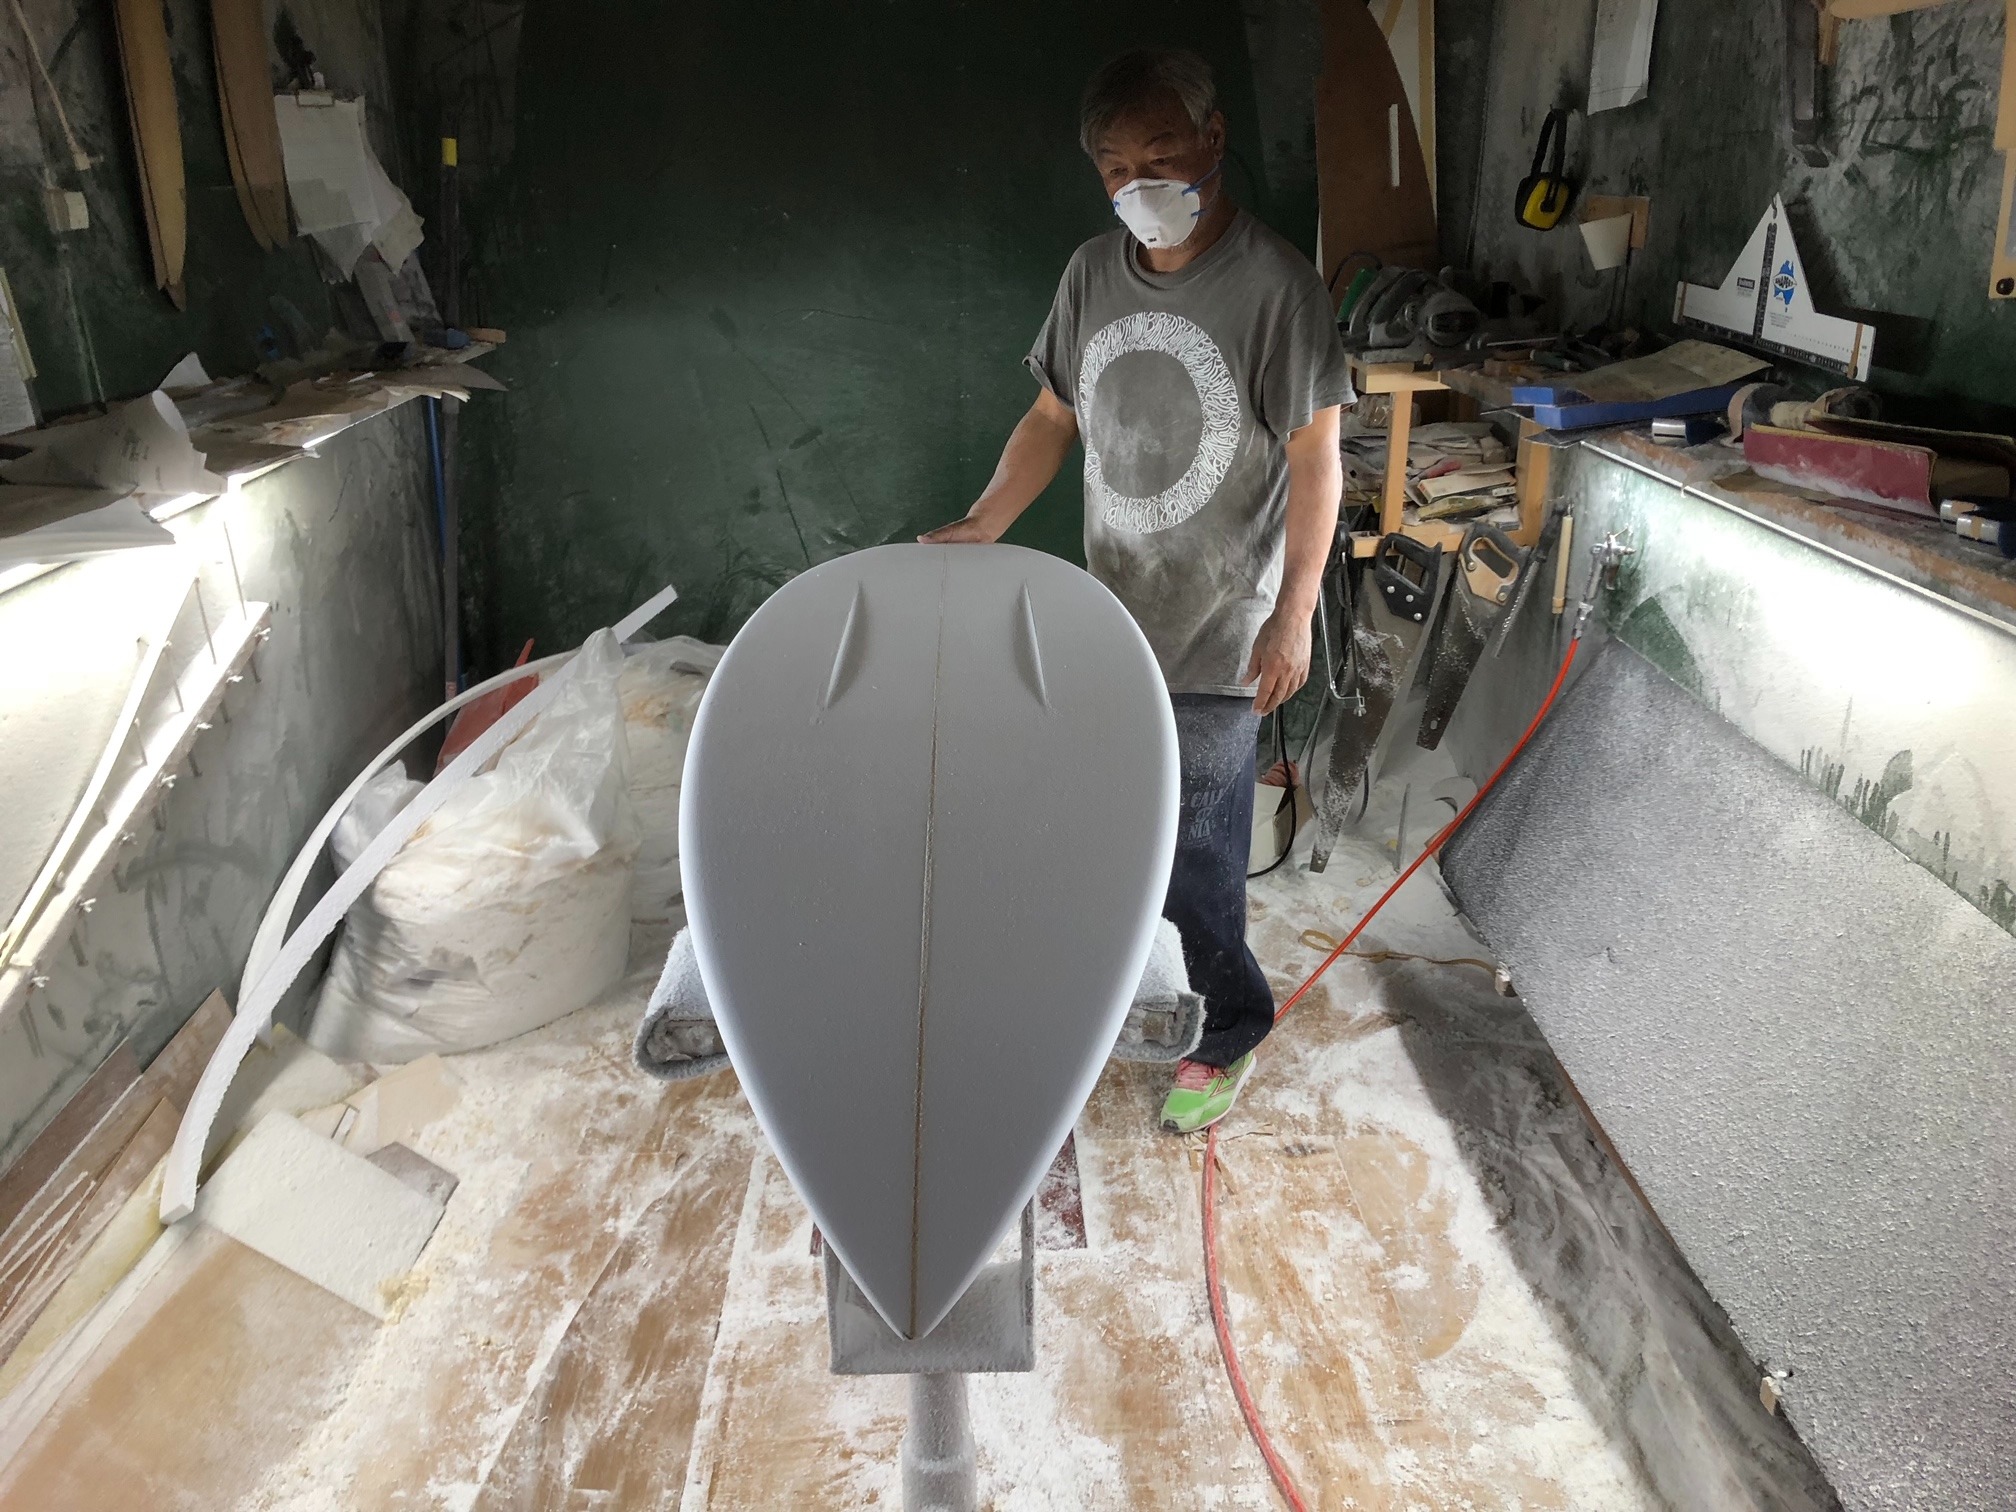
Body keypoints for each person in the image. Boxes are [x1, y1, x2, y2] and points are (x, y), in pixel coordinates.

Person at [920, 46, 1353, 1134]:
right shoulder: (1089, 275)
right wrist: (985, 521)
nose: (1138, 184)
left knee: (1200, 855)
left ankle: (1225, 1029)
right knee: (1107, 836)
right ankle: (1130, 995)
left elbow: (1317, 461)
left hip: (1221, 625)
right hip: (1108, 619)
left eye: (1160, 156)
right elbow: (1051, 418)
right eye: (1115, 168)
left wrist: (1294, 614)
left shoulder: (1277, 288)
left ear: (1214, 140)